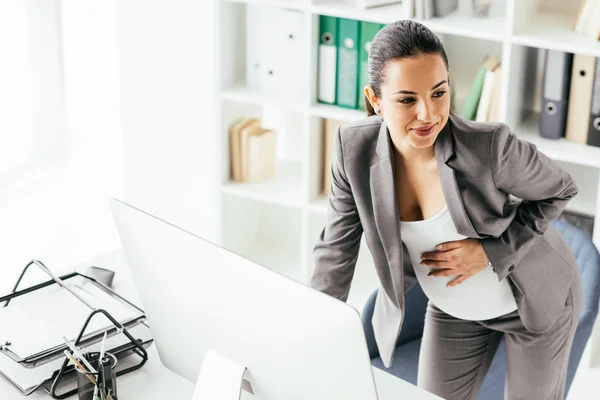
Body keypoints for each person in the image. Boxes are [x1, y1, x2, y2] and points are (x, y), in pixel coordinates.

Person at [311, 19, 583, 400]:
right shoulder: (351, 150)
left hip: (532, 300)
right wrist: (310, 330)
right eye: (407, 100)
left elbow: (560, 189)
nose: (428, 114)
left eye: (439, 93)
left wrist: (489, 253)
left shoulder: (489, 147)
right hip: (454, 309)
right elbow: (335, 253)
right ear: (375, 100)